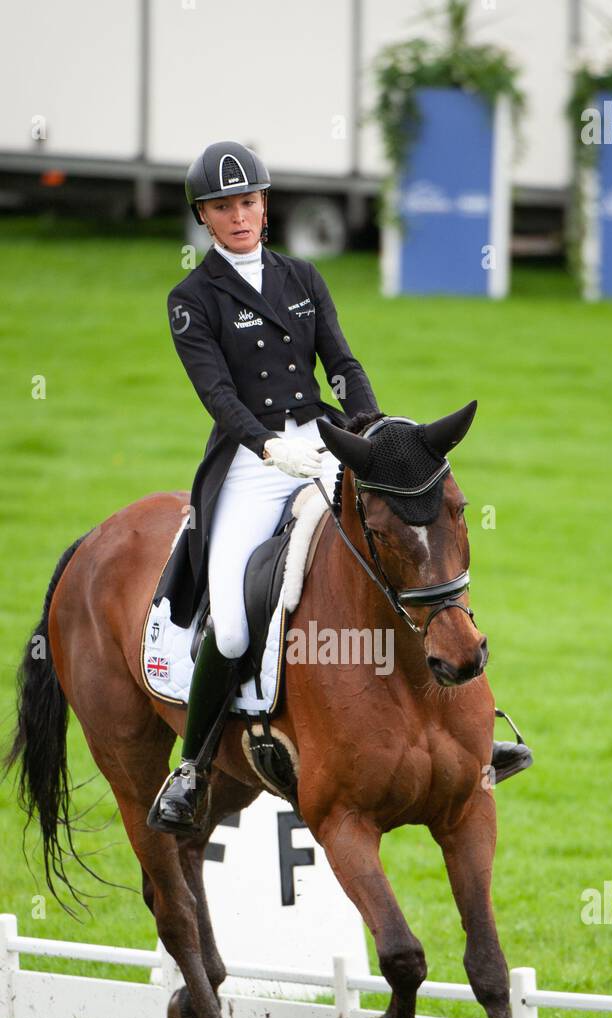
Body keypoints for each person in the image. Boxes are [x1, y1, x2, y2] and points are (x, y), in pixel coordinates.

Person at [147, 141, 380, 835]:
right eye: (224, 206)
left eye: (248, 200)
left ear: (265, 205)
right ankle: (191, 770)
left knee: (403, 542)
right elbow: (217, 393)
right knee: (236, 615)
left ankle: (462, 721)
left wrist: (369, 426)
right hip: (252, 459)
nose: (240, 214)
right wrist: (267, 445)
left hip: (321, 441)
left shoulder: (302, 276)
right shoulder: (192, 299)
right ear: (205, 217)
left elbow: (340, 362)